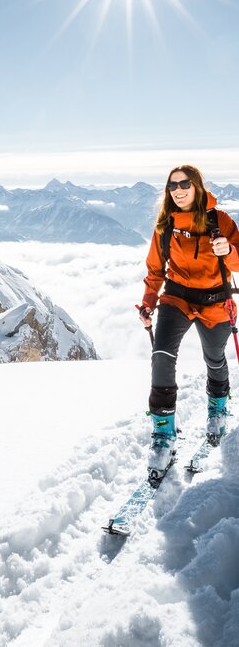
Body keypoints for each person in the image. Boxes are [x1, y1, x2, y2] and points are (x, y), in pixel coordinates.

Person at [138, 164, 239, 479]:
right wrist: (148, 303)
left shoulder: (220, 222)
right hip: (177, 298)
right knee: (162, 356)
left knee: (214, 357)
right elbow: (155, 270)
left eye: (184, 184)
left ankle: (218, 408)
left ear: (197, 186)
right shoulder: (165, 225)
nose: (178, 190)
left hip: (214, 301)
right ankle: (164, 435)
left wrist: (229, 250)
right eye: (172, 186)